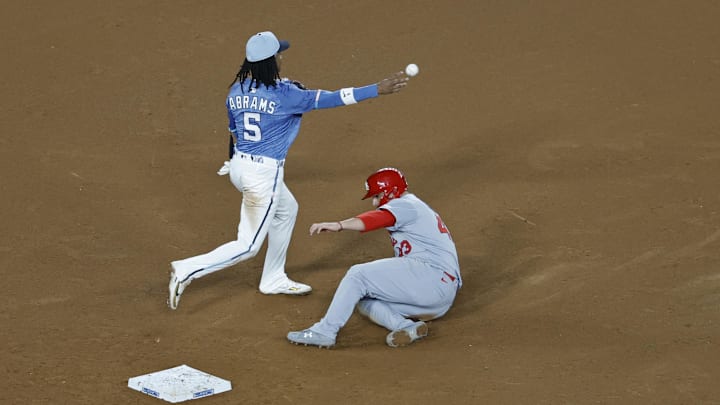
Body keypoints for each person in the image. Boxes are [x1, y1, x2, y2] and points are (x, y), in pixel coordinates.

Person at [168, 32, 409, 310]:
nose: (282, 57)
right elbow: (334, 98)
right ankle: (186, 269)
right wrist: (377, 89)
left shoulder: (236, 90)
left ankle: (272, 278)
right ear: (272, 61)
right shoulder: (287, 95)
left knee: (287, 209)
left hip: (238, 165)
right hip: (262, 176)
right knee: (248, 246)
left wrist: (235, 161)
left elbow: (233, 132)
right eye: (278, 54)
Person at [287, 168, 462, 348]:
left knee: (358, 275)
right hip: (438, 299)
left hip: (432, 277)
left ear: (391, 192)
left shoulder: (406, 204)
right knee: (363, 297)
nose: (374, 202)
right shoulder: (413, 206)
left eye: (377, 196)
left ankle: (325, 331)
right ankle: (406, 327)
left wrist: (339, 225)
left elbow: (376, 219)